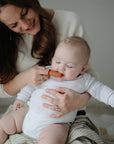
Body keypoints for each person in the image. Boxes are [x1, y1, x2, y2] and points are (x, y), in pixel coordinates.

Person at [0, 0, 102, 144]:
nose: (25, 25)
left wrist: (80, 100)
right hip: (29, 109)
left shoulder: (69, 21)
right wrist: (24, 79)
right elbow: (3, 89)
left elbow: (91, 81)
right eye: (14, 25)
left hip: (64, 118)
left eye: (24, 13)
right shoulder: (5, 39)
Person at [0, 36, 114, 144]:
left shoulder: (84, 81)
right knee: (5, 123)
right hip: (30, 113)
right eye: (57, 62)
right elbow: (30, 85)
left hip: (55, 124)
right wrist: (21, 98)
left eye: (69, 66)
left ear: (82, 69)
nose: (60, 68)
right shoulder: (46, 72)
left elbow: (102, 92)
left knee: (52, 140)